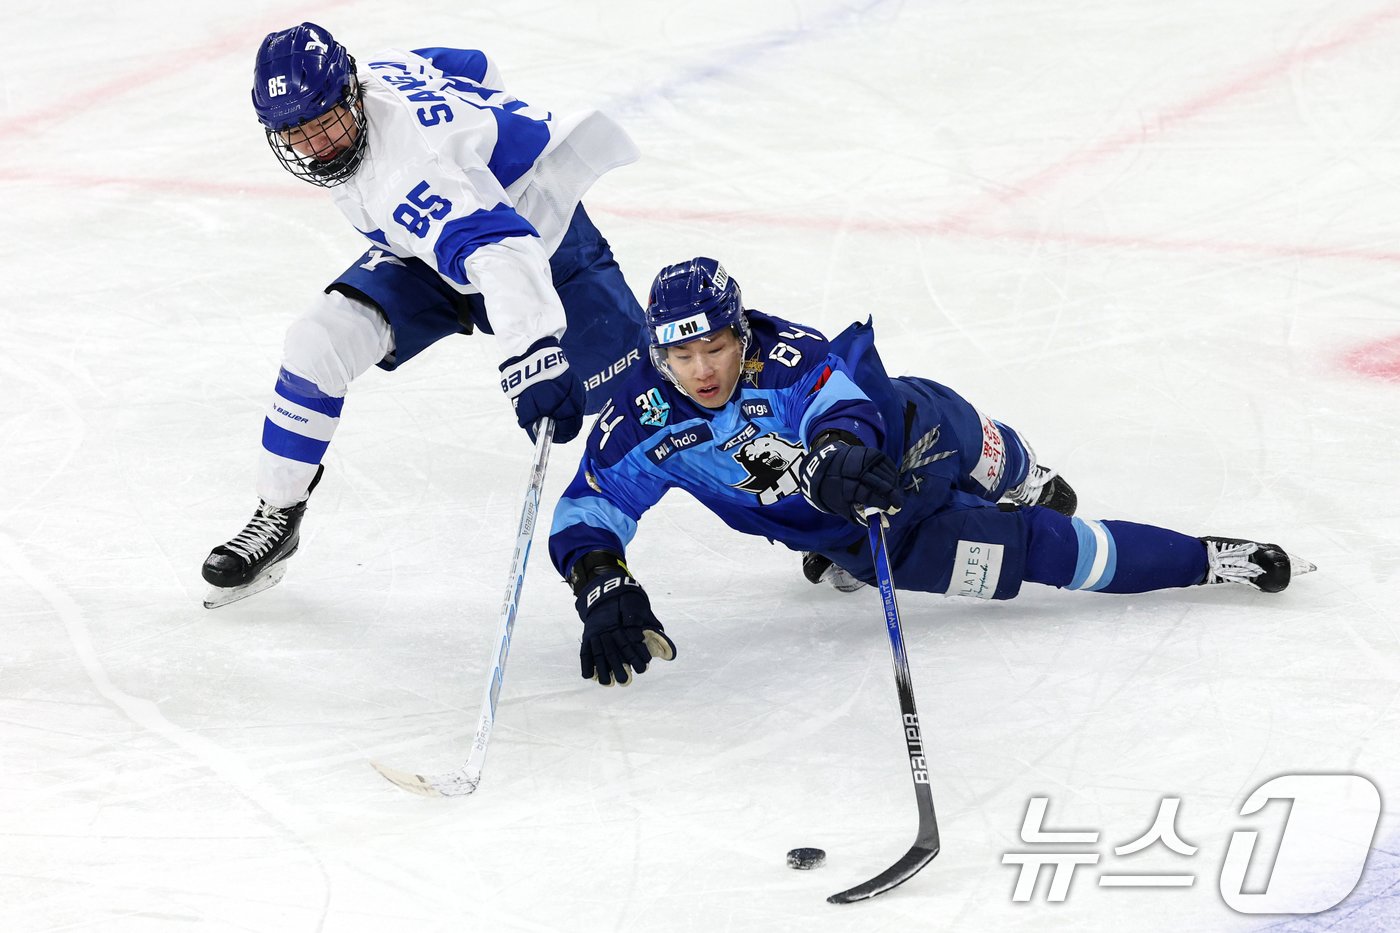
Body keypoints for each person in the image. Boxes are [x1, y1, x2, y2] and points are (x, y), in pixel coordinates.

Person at [547, 257, 1315, 687]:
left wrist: (837, 454)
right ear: (660, 354)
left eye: (714, 347)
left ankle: (1019, 471)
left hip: (913, 430)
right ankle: (1209, 556)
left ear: (740, 335)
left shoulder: (788, 356)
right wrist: (599, 577)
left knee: (997, 455)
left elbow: (841, 405)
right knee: (1046, 547)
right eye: (681, 355)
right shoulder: (644, 421)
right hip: (885, 533)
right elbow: (591, 506)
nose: (701, 369)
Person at [202, 22, 650, 608]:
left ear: (351, 95)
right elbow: (472, 63)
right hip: (426, 247)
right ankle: (278, 513)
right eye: (295, 133)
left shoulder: (410, 174)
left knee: (659, 393)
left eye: (323, 122)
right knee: (317, 342)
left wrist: (534, 351)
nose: (315, 146)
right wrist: (479, 141)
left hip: (546, 244)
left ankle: (799, 499)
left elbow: (505, 249)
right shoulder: (382, 71)